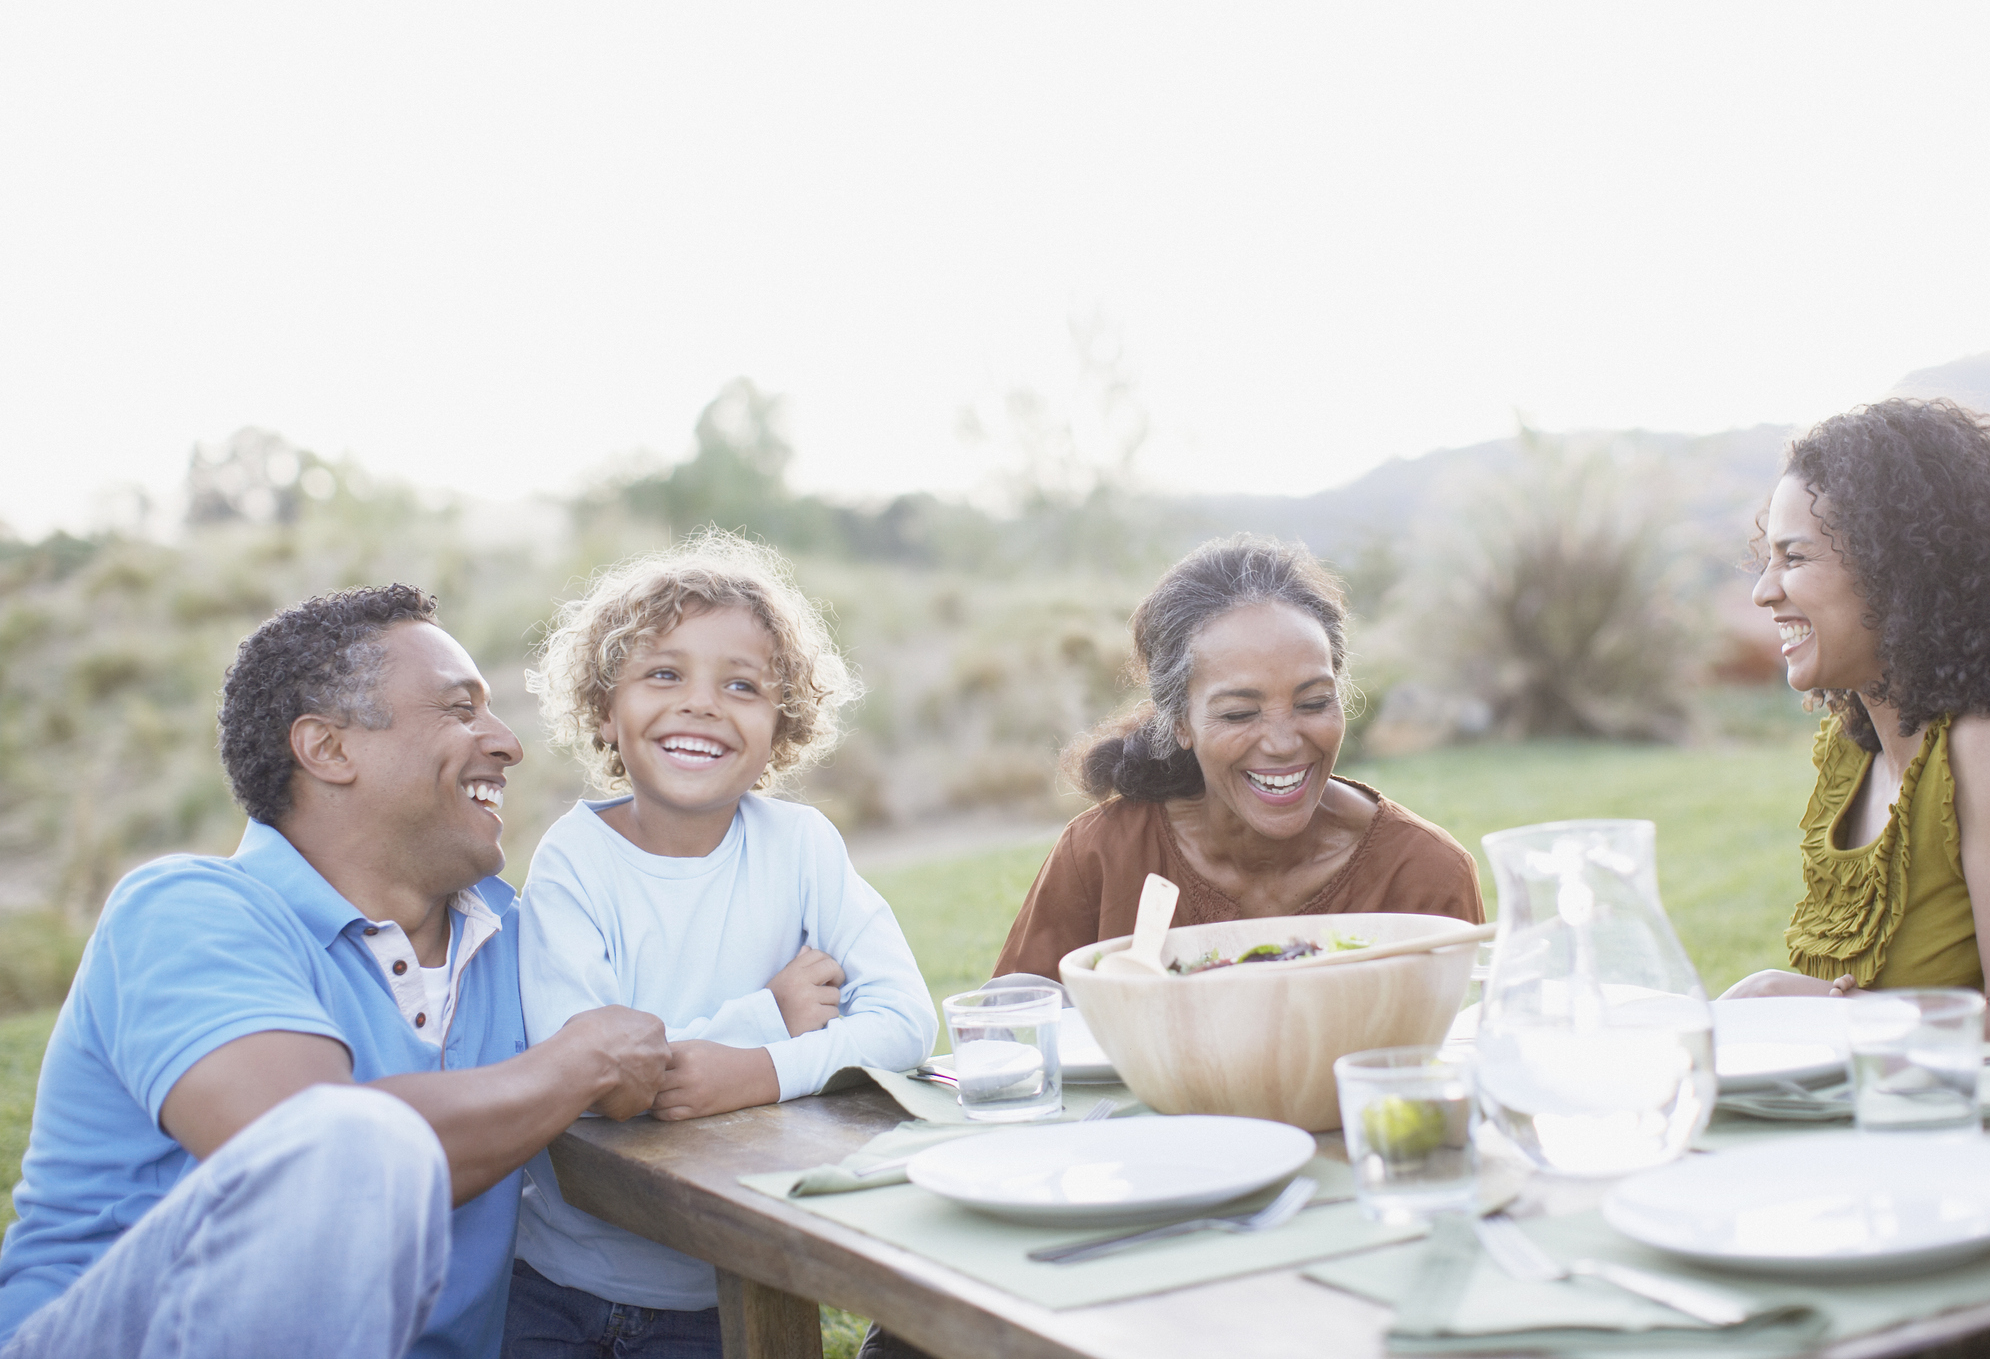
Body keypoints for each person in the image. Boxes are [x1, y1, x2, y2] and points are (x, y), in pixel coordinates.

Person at [0, 585, 671, 1359]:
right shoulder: (188, 910)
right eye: (459, 710)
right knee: (348, 1140)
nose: (506, 742)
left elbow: (669, 1037)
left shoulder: (520, 938)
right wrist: (573, 1067)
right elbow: (310, 1158)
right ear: (328, 748)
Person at [507, 531, 935, 1358]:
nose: (701, 703)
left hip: (729, 1287)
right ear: (605, 707)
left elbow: (907, 1022)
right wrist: (765, 1018)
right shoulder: (573, 861)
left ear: (781, 727)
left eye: (741, 685)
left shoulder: (801, 846)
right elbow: (590, 1081)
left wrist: (754, 1073)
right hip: (561, 1286)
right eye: (663, 673)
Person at [1725, 400, 1990, 1053]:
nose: (1762, 592)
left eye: (1793, 559)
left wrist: (1797, 1007)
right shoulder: (1852, 752)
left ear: (1897, 572)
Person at [993, 534, 1484, 979]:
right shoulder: (1102, 857)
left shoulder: (1424, 875)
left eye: (1313, 703)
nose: (1283, 742)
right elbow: (1012, 1035)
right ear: (1181, 722)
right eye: (1239, 714)